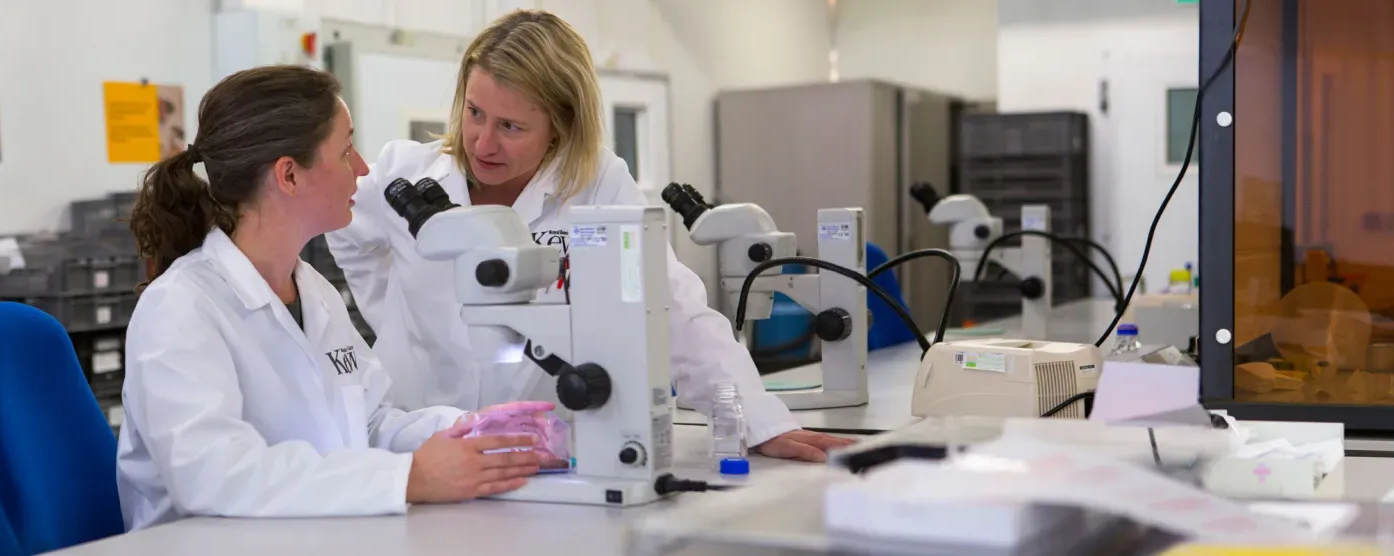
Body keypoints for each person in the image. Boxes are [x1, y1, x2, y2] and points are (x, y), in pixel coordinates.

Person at [328, 10, 855, 461]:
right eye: (474, 113)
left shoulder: (597, 184)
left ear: (561, 125)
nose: (483, 142)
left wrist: (759, 421)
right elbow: (346, 238)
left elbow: (668, 306)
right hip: (422, 440)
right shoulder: (403, 173)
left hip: (543, 444)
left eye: (511, 127)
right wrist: (394, 322)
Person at [115, 65, 555, 531]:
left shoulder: (314, 292)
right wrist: (410, 478)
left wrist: (472, 428)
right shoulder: (181, 308)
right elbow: (213, 477)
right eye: (346, 150)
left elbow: (370, 424)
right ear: (288, 176)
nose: (363, 169)